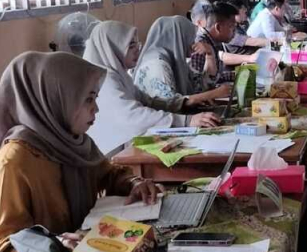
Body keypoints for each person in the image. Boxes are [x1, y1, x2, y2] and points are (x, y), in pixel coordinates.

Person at [0, 52, 162, 252]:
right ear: (56, 99)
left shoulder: (71, 141)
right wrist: (55, 245)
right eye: (87, 99)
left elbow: (106, 174)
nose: (96, 109)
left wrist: (133, 182)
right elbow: (4, 248)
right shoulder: (15, 163)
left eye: (95, 98)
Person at [85, 21, 221, 154]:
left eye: (136, 44)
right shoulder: (105, 79)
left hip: (125, 148)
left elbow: (150, 101)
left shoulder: (120, 75)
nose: (137, 49)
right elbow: (134, 116)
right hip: (112, 154)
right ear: (113, 48)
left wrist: (186, 104)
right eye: (131, 45)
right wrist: (186, 120)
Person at [133, 15, 230, 102]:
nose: (193, 43)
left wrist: (210, 54)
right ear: (178, 38)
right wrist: (214, 94)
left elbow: (200, 86)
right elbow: (171, 104)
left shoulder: (175, 61)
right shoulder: (157, 65)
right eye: (190, 38)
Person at [189, 2, 239, 90]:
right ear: (218, 28)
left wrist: (240, 74)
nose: (235, 32)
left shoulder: (214, 42)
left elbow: (215, 76)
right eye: (232, 27)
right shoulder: (200, 46)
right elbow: (198, 86)